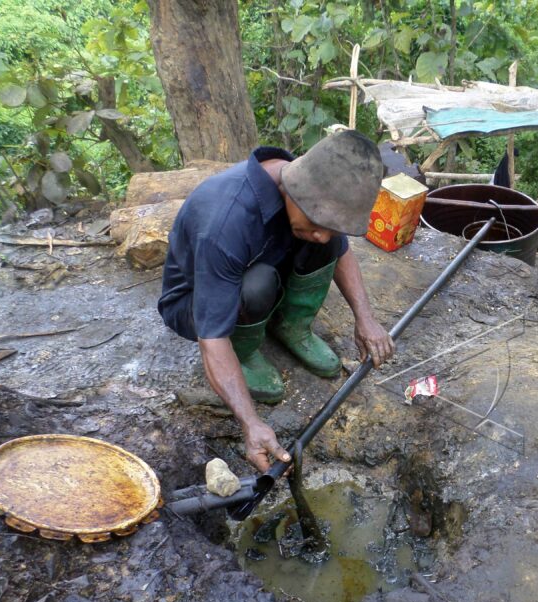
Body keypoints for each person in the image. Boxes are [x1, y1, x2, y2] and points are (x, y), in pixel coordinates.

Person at [158, 130, 395, 472]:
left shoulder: (304, 181)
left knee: (323, 244)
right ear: (293, 192)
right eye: (316, 222)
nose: (322, 232)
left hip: (263, 259)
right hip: (196, 301)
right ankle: (246, 351)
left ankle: (291, 327)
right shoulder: (225, 221)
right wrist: (251, 423)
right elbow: (212, 337)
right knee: (257, 286)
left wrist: (366, 318)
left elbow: (338, 247)